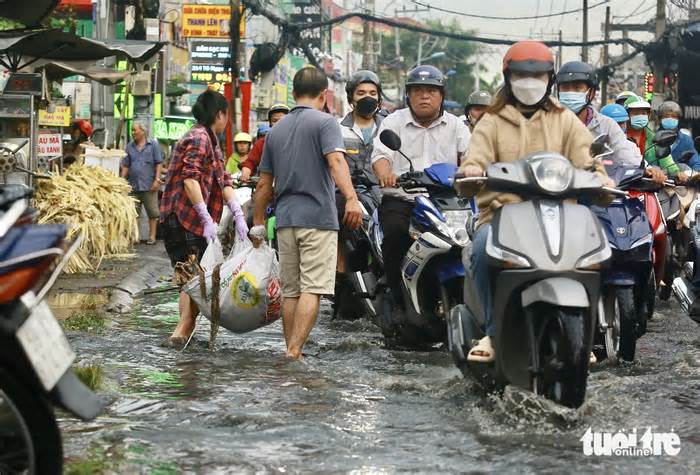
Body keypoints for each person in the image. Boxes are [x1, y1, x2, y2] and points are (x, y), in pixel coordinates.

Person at [455, 40, 613, 363]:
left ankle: (585, 329)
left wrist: (602, 179)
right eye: (522, 75)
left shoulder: (565, 120)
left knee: (593, 249)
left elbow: (587, 159)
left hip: (559, 214)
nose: (530, 82)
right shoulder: (491, 121)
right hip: (502, 215)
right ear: (508, 77)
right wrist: (471, 169)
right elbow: (476, 157)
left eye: (539, 75)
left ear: (549, 79)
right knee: (483, 248)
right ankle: (493, 332)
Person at [252, 67, 363, 359]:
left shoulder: (276, 131)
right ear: (324, 94)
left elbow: (264, 185)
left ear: (294, 93)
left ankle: (292, 350)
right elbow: (337, 161)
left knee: (291, 290)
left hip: (286, 221)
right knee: (312, 288)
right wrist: (352, 198)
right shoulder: (326, 123)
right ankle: (295, 350)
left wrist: (258, 223)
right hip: (318, 219)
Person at [371, 65, 471, 308]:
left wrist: (472, 172)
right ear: (408, 95)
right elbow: (381, 156)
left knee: (473, 237)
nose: (424, 96)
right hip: (404, 198)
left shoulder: (457, 125)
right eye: (417, 91)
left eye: (431, 91)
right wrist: (386, 175)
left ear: (441, 95)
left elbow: (471, 156)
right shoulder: (394, 121)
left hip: (446, 202)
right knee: (395, 235)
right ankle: (396, 297)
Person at [159, 89, 249, 347]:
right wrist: (205, 217)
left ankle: (182, 335)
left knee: (193, 279)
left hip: (193, 221)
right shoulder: (199, 138)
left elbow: (224, 180)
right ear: (219, 114)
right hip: (182, 219)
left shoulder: (212, 140)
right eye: (227, 115)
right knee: (194, 279)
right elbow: (190, 179)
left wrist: (239, 214)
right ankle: (180, 335)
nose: (227, 120)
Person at [556, 61, 665, 182]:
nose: (570, 92)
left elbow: (625, 155)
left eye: (577, 88)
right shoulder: (549, 122)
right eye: (565, 87)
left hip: (598, 191)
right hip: (555, 190)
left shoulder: (607, 125)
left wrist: (646, 170)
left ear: (591, 93)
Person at [624, 96, 687, 183]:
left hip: (650, 183)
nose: (640, 116)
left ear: (648, 115)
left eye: (643, 113)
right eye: (636, 113)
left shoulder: (655, 138)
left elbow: (666, 161)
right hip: (623, 182)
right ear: (626, 115)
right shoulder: (619, 136)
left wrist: (677, 173)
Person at [120, 122, 164, 244]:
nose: (133, 133)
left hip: (149, 185)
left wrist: (157, 180)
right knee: (134, 213)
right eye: (132, 130)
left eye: (135, 130)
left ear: (143, 131)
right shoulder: (129, 146)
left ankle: (152, 237)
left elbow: (159, 163)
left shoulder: (153, 145)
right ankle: (135, 237)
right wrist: (121, 182)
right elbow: (126, 165)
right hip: (133, 185)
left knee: (152, 213)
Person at [240, 103, 290, 181]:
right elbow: (251, 162)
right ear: (270, 123)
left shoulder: (297, 142)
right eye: (275, 120)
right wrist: (246, 170)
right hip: (266, 184)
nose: (279, 124)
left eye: (282, 120)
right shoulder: (262, 143)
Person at [657, 100, 700, 170]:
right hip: (658, 178)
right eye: (666, 116)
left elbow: (696, 162)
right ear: (659, 119)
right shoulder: (653, 139)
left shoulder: (686, 140)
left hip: (682, 179)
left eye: (674, 116)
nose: (670, 118)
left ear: (678, 119)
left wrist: (696, 173)